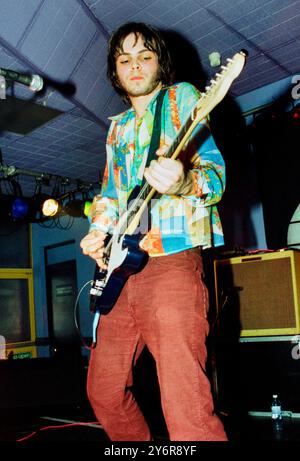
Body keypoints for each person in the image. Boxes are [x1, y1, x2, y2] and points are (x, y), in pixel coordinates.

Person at [80, 21, 227, 441]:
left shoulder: (182, 99)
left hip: (172, 259)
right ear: (115, 71)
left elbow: (215, 175)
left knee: (184, 403)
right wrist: (98, 233)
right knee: (104, 392)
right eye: (125, 60)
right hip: (122, 271)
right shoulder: (117, 128)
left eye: (145, 56)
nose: (135, 66)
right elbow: (110, 192)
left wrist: (182, 182)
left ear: (160, 62)